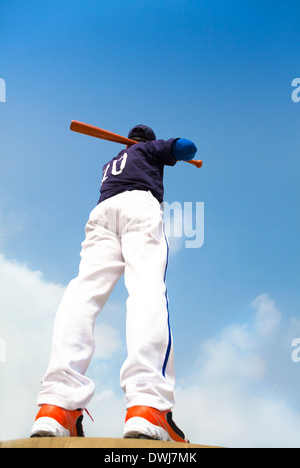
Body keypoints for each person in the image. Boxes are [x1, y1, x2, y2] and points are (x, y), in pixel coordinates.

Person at [30, 124, 197, 442]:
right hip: (138, 207)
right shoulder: (148, 150)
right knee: (146, 291)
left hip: (102, 214)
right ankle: (148, 407)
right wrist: (169, 150)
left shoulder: (112, 162)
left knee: (83, 294)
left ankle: (56, 406)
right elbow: (188, 147)